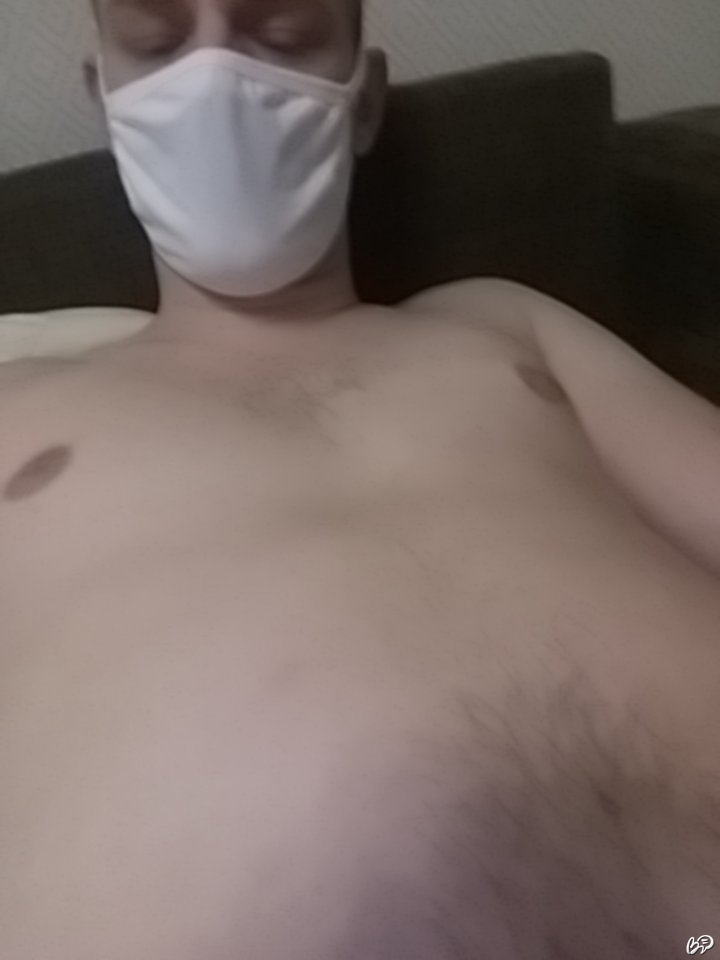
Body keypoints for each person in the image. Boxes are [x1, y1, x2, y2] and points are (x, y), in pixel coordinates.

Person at [1, 1, 719, 957]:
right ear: (105, 96)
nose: (215, 80)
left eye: (282, 35)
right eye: (158, 43)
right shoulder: (19, 403)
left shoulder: (499, 323)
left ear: (365, 100)